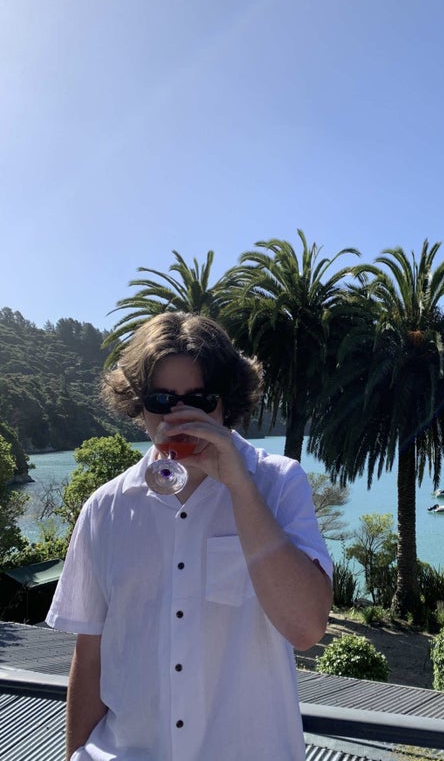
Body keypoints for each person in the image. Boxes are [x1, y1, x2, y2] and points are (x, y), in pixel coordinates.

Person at [47, 312, 333, 761]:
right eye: (160, 399)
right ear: (138, 403)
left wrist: (239, 487)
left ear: (225, 402)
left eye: (199, 400)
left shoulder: (278, 484)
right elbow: (91, 654)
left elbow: (305, 628)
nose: (178, 416)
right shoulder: (106, 508)